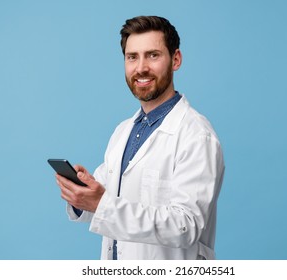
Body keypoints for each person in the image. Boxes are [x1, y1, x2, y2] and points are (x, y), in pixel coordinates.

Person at [55, 15, 225, 260]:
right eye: (132, 57)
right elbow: (106, 207)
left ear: (175, 59)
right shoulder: (123, 131)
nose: (141, 67)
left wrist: (101, 203)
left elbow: (186, 225)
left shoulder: (196, 135)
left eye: (153, 55)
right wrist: (83, 194)